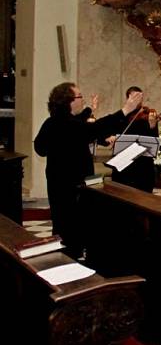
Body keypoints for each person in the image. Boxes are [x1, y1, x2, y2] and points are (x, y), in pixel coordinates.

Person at [34, 83, 141, 257]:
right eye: (80, 96)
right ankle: (72, 264)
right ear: (68, 101)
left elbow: (40, 148)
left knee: (62, 224)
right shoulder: (67, 125)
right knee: (73, 227)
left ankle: (68, 257)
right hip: (74, 185)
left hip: (57, 183)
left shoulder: (52, 122)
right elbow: (93, 128)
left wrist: (91, 109)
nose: (82, 99)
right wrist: (125, 110)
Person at [110, 86, 159, 193]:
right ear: (128, 99)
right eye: (134, 97)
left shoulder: (148, 116)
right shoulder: (121, 117)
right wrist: (112, 137)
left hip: (143, 165)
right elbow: (110, 134)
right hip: (124, 165)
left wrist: (152, 126)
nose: (138, 101)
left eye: (140, 97)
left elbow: (154, 140)